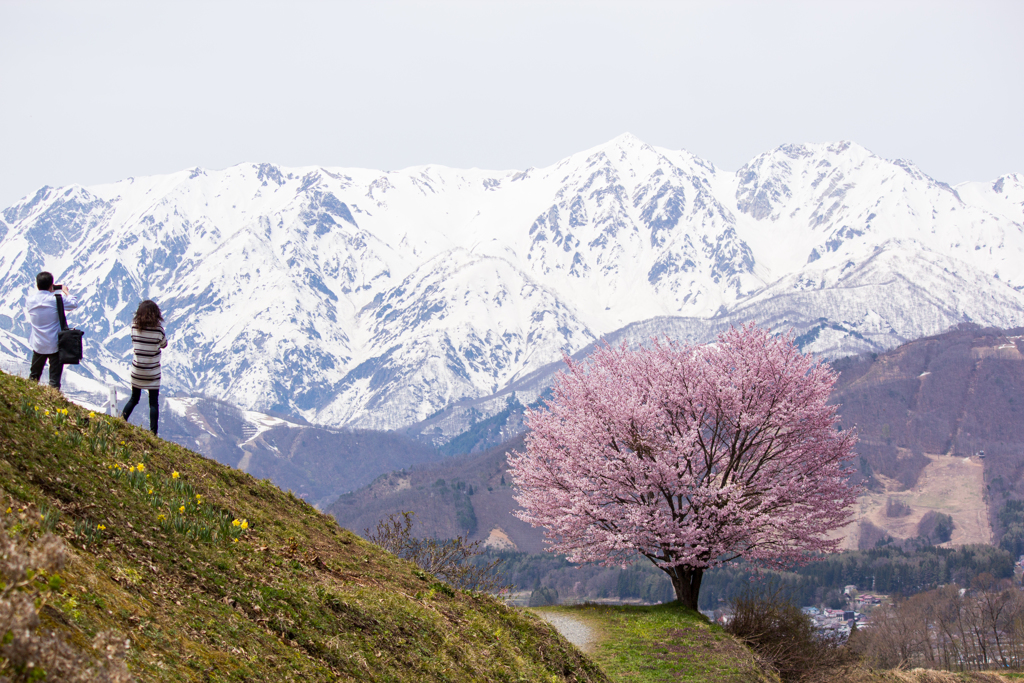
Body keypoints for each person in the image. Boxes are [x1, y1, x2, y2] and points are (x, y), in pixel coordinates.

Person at [24, 271, 79, 391]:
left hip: (38, 344)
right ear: (51, 285)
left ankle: (29, 394)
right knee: (54, 381)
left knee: (34, 376)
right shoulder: (56, 300)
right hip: (55, 343)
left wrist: (48, 291)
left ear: (37, 284)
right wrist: (66, 292)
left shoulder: (30, 301)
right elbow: (74, 304)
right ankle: (54, 399)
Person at [121, 300, 168, 435]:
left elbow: (134, 341)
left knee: (134, 398)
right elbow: (164, 344)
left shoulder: (135, 327)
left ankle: (122, 419)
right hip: (152, 372)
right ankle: (153, 432)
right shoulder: (158, 329)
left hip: (137, 370)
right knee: (153, 403)